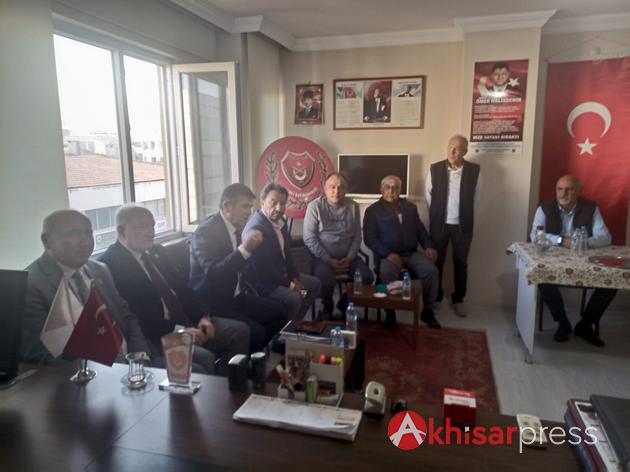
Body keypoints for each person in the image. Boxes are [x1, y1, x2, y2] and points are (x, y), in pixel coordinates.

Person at [100, 205, 250, 375]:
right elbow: (138, 316)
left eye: (152, 225)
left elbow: (183, 288)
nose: (151, 232)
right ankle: (213, 387)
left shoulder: (157, 251)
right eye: (143, 226)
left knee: (240, 332)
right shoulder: (110, 264)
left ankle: (227, 384)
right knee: (203, 360)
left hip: (187, 321)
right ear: (121, 231)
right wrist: (179, 331)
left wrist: (203, 317)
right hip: (156, 335)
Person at [21, 209, 149, 364]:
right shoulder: (29, 285)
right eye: (73, 234)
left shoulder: (100, 269)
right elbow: (42, 355)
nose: (85, 242)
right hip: (86, 373)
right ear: (47, 241)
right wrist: (99, 373)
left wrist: (140, 356)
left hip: (132, 363)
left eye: (88, 233)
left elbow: (126, 316)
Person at [190, 183, 287, 351]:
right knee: (256, 332)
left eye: (250, 207)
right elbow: (214, 274)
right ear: (227, 206)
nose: (249, 212)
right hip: (214, 303)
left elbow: (245, 265)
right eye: (245, 206)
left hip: (237, 295)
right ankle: (247, 363)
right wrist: (245, 249)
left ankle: (260, 356)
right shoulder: (205, 232)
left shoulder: (237, 227)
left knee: (279, 311)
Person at [530, 175, 616, 346]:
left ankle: (585, 325)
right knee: (542, 276)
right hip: (554, 259)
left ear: (579, 191)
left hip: (584, 258)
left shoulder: (590, 207)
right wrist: (560, 240)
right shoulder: (544, 208)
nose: (563, 194)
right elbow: (535, 235)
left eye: (569, 189)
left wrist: (580, 241)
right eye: (559, 189)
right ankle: (563, 323)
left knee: (614, 280)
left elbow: (605, 237)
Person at [363, 175, 440, 330]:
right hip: (388, 255)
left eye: (395, 187)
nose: (391, 190)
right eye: (387, 187)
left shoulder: (410, 208)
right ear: (381, 189)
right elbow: (370, 238)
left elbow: (420, 231)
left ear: (400, 190)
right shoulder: (373, 211)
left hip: (411, 253)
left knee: (431, 271)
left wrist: (428, 246)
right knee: (386, 273)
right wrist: (388, 254)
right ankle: (390, 312)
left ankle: (428, 311)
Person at [243, 183, 321, 322]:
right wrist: (291, 285)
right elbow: (265, 271)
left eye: (283, 203)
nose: (279, 208)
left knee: (313, 286)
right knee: (295, 298)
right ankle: (285, 331)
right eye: (273, 202)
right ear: (262, 202)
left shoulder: (280, 221)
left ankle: (295, 323)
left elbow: (287, 255)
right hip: (265, 284)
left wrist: (294, 277)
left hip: (283, 276)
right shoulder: (257, 228)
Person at [303, 173, 373, 319]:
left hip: (348, 258)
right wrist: (328, 260)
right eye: (332, 187)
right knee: (325, 280)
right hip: (323, 259)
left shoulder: (353, 206)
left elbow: (357, 236)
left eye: (341, 187)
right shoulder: (314, 206)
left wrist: (350, 257)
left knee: (367, 277)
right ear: (324, 189)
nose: (337, 191)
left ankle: (345, 303)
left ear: (346, 189)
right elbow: (309, 238)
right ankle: (327, 307)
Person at [425, 135, 481, 317]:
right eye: (450, 146)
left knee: (461, 263)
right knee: (437, 262)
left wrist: (464, 215)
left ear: (465, 151)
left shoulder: (474, 171)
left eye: (457, 148)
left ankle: (458, 300)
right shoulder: (435, 169)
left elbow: (476, 199)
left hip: (462, 226)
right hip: (439, 225)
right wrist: (438, 215)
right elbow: (428, 196)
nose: (452, 151)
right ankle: (436, 297)